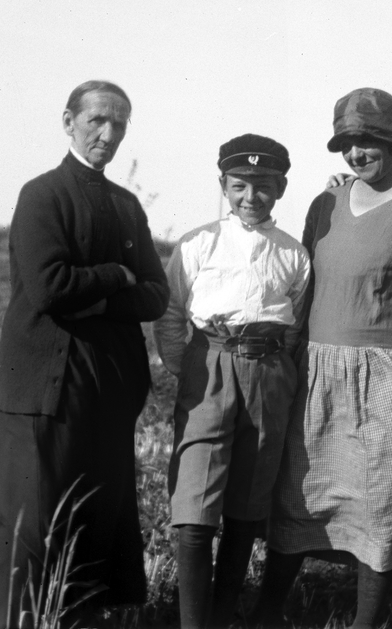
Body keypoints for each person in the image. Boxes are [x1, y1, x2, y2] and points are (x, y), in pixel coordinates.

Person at [253, 88, 392, 629]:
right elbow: (303, 284)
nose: (356, 153)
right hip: (318, 372)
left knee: (381, 501)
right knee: (301, 492)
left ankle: (365, 621)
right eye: (347, 143)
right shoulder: (325, 204)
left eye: (368, 141)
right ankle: (265, 611)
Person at [0, 80, 170, 629]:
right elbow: (50, 289)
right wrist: (116, 274)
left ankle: (78, 619)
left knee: (95, 515)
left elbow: (156, 295)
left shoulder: (126, 205)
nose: (108, 134)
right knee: (35, 520)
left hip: (108, 389)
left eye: (119, 124)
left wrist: (100, 299)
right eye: (97, 121)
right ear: (69, 122)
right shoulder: (42, 195)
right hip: (46, 385)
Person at [153, 134, 312, 629]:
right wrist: (188, 370)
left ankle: (223, 616)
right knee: (195, 504)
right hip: (209, 367)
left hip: (268, 373)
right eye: (240, 185)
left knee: (248, 501)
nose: (251, 197)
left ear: (281, 188)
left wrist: (275, 372)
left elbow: (295, 325)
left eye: (263, 186)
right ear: (223, 185)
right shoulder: (198, 243)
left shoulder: (294, 254)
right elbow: (171, 315)